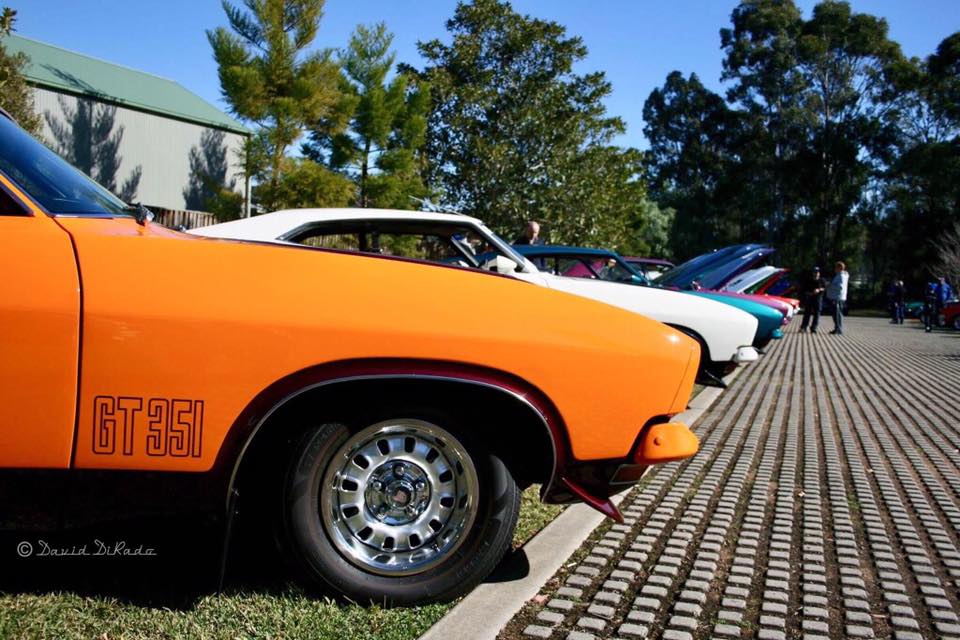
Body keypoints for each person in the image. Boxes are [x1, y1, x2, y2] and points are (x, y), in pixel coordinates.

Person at [799, 266, 827, 333]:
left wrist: (819, 289)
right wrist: (810, 293)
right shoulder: (808, 280)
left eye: (817, 272)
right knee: (807, 313)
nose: (816, 273)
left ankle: (814, 328)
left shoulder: (822, 280)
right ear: (813, 273)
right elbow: (804, 290)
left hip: (818, 299)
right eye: (815, 272)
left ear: (819, 273)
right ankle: (804, 327)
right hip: (810, 298)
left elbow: (824, 288)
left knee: (817, 314)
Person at [826, 261, 849, 335]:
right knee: (837, 314)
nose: (834, 269)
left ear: (839, 268)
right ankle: (837, 328)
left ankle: (838, 329)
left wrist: (830, 285)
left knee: (837, 314)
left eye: (836, 267)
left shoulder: (841, 276)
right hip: (838, 297)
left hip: (837, 297)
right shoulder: (842, 275)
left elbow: (840, 287)